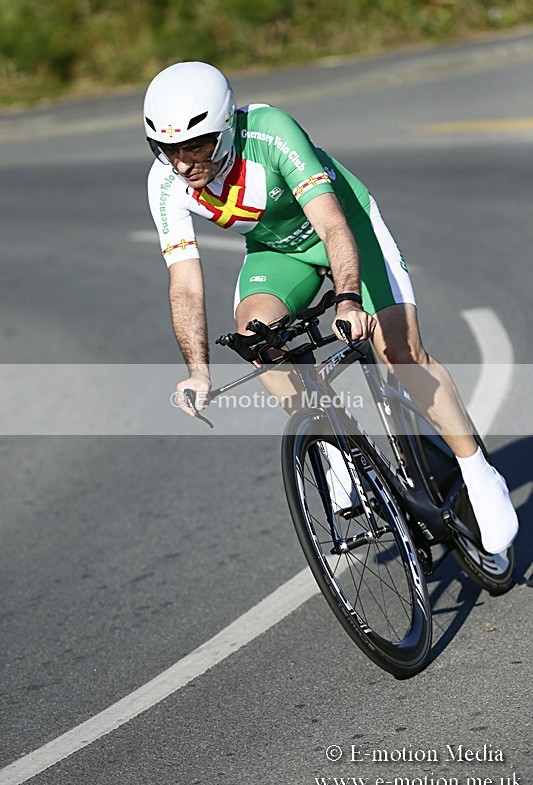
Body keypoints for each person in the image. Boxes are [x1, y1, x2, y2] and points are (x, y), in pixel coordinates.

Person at [143, 61, 518, 558]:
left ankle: (476, 470)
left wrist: (347, 299)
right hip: (278, 252)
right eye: (167, 150)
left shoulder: (272, 132)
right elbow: (185, 284)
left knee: (400, 351)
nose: (184, 163)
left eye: (197, 145)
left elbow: (333, 225)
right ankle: (333, 444)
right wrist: (198, 373)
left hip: (346, 228)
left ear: (228, 129)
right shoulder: (166, 184)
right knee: (255, 334)